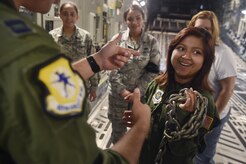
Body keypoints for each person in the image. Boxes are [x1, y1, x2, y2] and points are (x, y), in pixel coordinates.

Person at [0, 0, 152, 164]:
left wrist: (98, 60)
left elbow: (41, 81)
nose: (57, 1)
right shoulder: (27, 46)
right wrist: (142, 125)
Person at [124, 27, 220, 164]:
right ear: (171, 51)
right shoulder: (157, 84)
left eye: (196, 52)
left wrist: (183, 117)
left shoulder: (203, 103)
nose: (186, 56)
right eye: (181, 48)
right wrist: (138, 119)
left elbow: (185, 153)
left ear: (205, 61)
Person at [187, 11, 237, 164]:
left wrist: (208, 120)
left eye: (207, 29)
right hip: (195, 112)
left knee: (203, 156)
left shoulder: (223, 53)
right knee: (190, 152)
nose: (202, 32)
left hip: (214, 113)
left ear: (213, 30)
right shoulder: (194, 48)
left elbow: (227, 90)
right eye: (199, 28)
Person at [108, 4, 161, 144]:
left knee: (138, 135)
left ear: (143, 19)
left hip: (140, 98)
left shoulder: (151, 42)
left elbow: (153, 71)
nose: (134, 22)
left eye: (138, 18)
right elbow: (111, 68)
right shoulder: (117, 40)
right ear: (126, 21)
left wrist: (137, 92)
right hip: (118, 98)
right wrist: (123, 91)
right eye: (130, 19)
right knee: (117, 135)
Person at [49, 1, 99, 102]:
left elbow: (92, 62)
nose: (69, 17)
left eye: (72, 14)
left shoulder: (86, 37)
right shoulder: (52, 37)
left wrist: (94, 87)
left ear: (77, 17)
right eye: (65, 14)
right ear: (60, 16)